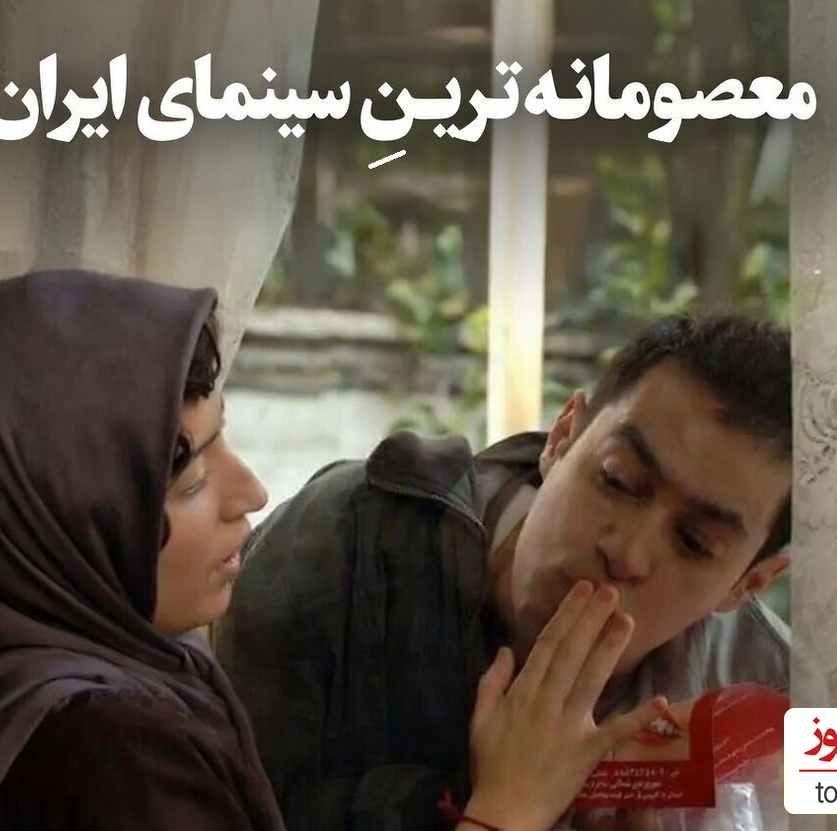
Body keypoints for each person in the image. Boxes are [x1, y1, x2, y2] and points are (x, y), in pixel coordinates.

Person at [0, 269, 663, 831]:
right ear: (40, 516)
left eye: (224, 441)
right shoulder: (99, 754)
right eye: (187, 476)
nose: (248, 492)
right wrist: (509, 808)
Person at [213, 313, 794, 830]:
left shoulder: (794, 696)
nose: (627, 553)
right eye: (616, 480)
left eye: (694, 542)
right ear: (562, 437)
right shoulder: (346, 541)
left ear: (747, 584)